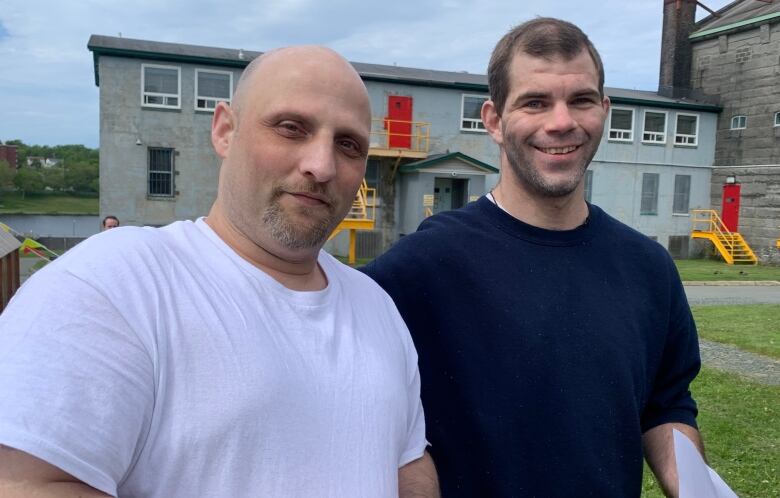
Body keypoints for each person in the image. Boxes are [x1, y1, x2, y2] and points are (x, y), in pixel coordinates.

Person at [0, 46, 438, 498]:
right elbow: (22, 481)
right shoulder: (114, 283)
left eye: (348, 145)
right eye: (291, 128)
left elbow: (408, 461)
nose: (321, 165)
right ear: (225, 130)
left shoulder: (376, 306)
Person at [363, 18, 702, 498]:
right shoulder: (419, 270)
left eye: (581, 100)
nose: (561, 121)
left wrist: (698, 492)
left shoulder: (648, 269)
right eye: (535, 102)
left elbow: (666, 408)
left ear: (604, 110)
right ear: (495, 120)